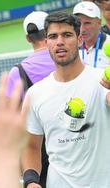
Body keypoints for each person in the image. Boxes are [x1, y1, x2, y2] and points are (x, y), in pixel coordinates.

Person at [21, 11, 110, 188]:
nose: (59, 41)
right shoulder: (35, 94)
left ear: (79, 39)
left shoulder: (103, 82)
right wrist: (31, 181)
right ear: (46, 43)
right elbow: (30, 146)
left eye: (67, 35)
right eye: (53, 36)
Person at [6, 11, 55, 188]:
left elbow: (13, 118)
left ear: (28, 38)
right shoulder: (70, 59)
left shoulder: (16, 73)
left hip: (37, 150)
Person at [73, 1, 110, 69]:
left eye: (87, 23)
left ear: (99, 23)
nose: (82, 29)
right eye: (78, 23)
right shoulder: (72, 48)